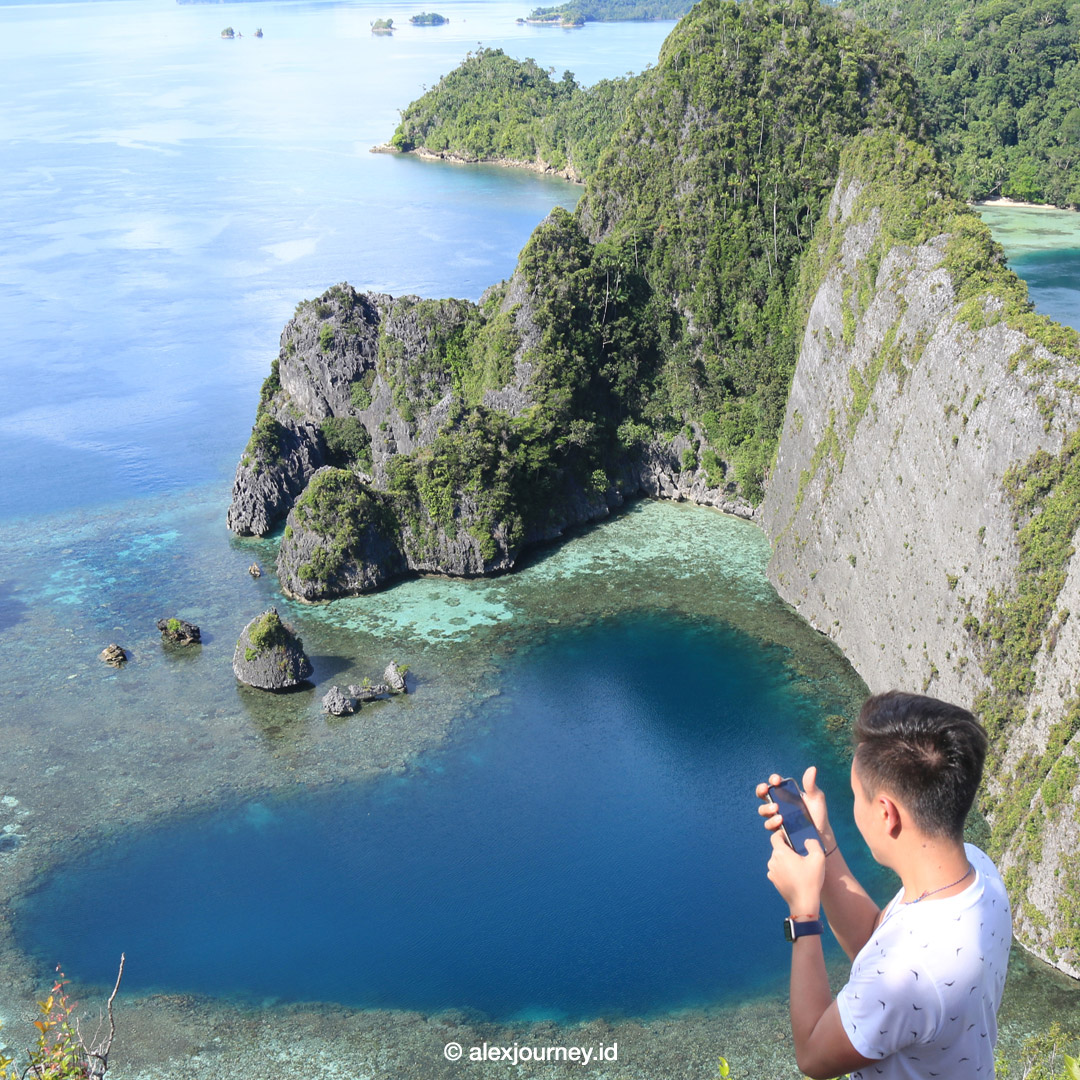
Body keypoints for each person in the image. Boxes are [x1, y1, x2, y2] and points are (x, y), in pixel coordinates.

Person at [756, 690, 1011, 1080]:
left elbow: (811, 1054)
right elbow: (877, 939)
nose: (853, 806)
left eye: (856, 796)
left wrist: (803, 913)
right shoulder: (977, 869)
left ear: (886, 813)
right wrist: (822, 843)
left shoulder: (905, 974)